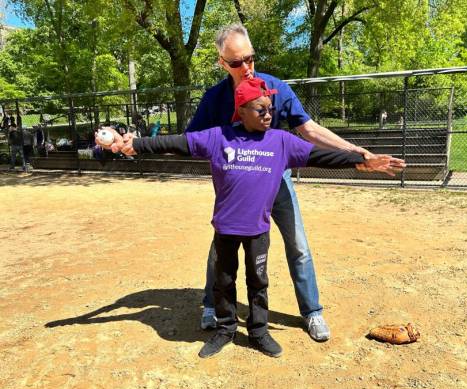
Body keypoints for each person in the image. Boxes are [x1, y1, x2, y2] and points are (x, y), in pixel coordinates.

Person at [96, 78, 405, 358]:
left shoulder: (281, 141)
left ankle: (258, 332)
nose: (268, 115)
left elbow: (319, 155)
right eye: (260, 109)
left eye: (270, 108)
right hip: (227, 230)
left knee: (258, 283)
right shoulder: (218, 137)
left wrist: (360, 161)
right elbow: (175, 143)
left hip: (258, 231)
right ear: (241, 110)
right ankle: (225, 330)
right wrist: (134, 143)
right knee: (224, 281)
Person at [187, 24, 406, 341]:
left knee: (298, 245)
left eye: (250, 58)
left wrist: (359, 153)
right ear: (222, 63)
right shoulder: (215, 99)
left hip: (277, 182)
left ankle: (312, 312)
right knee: (221, 247)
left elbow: (309, 130)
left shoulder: (275, 87)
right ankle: (212, 304)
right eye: (236, 62)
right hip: (238, 192)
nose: (246, 67)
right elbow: (192, 140)